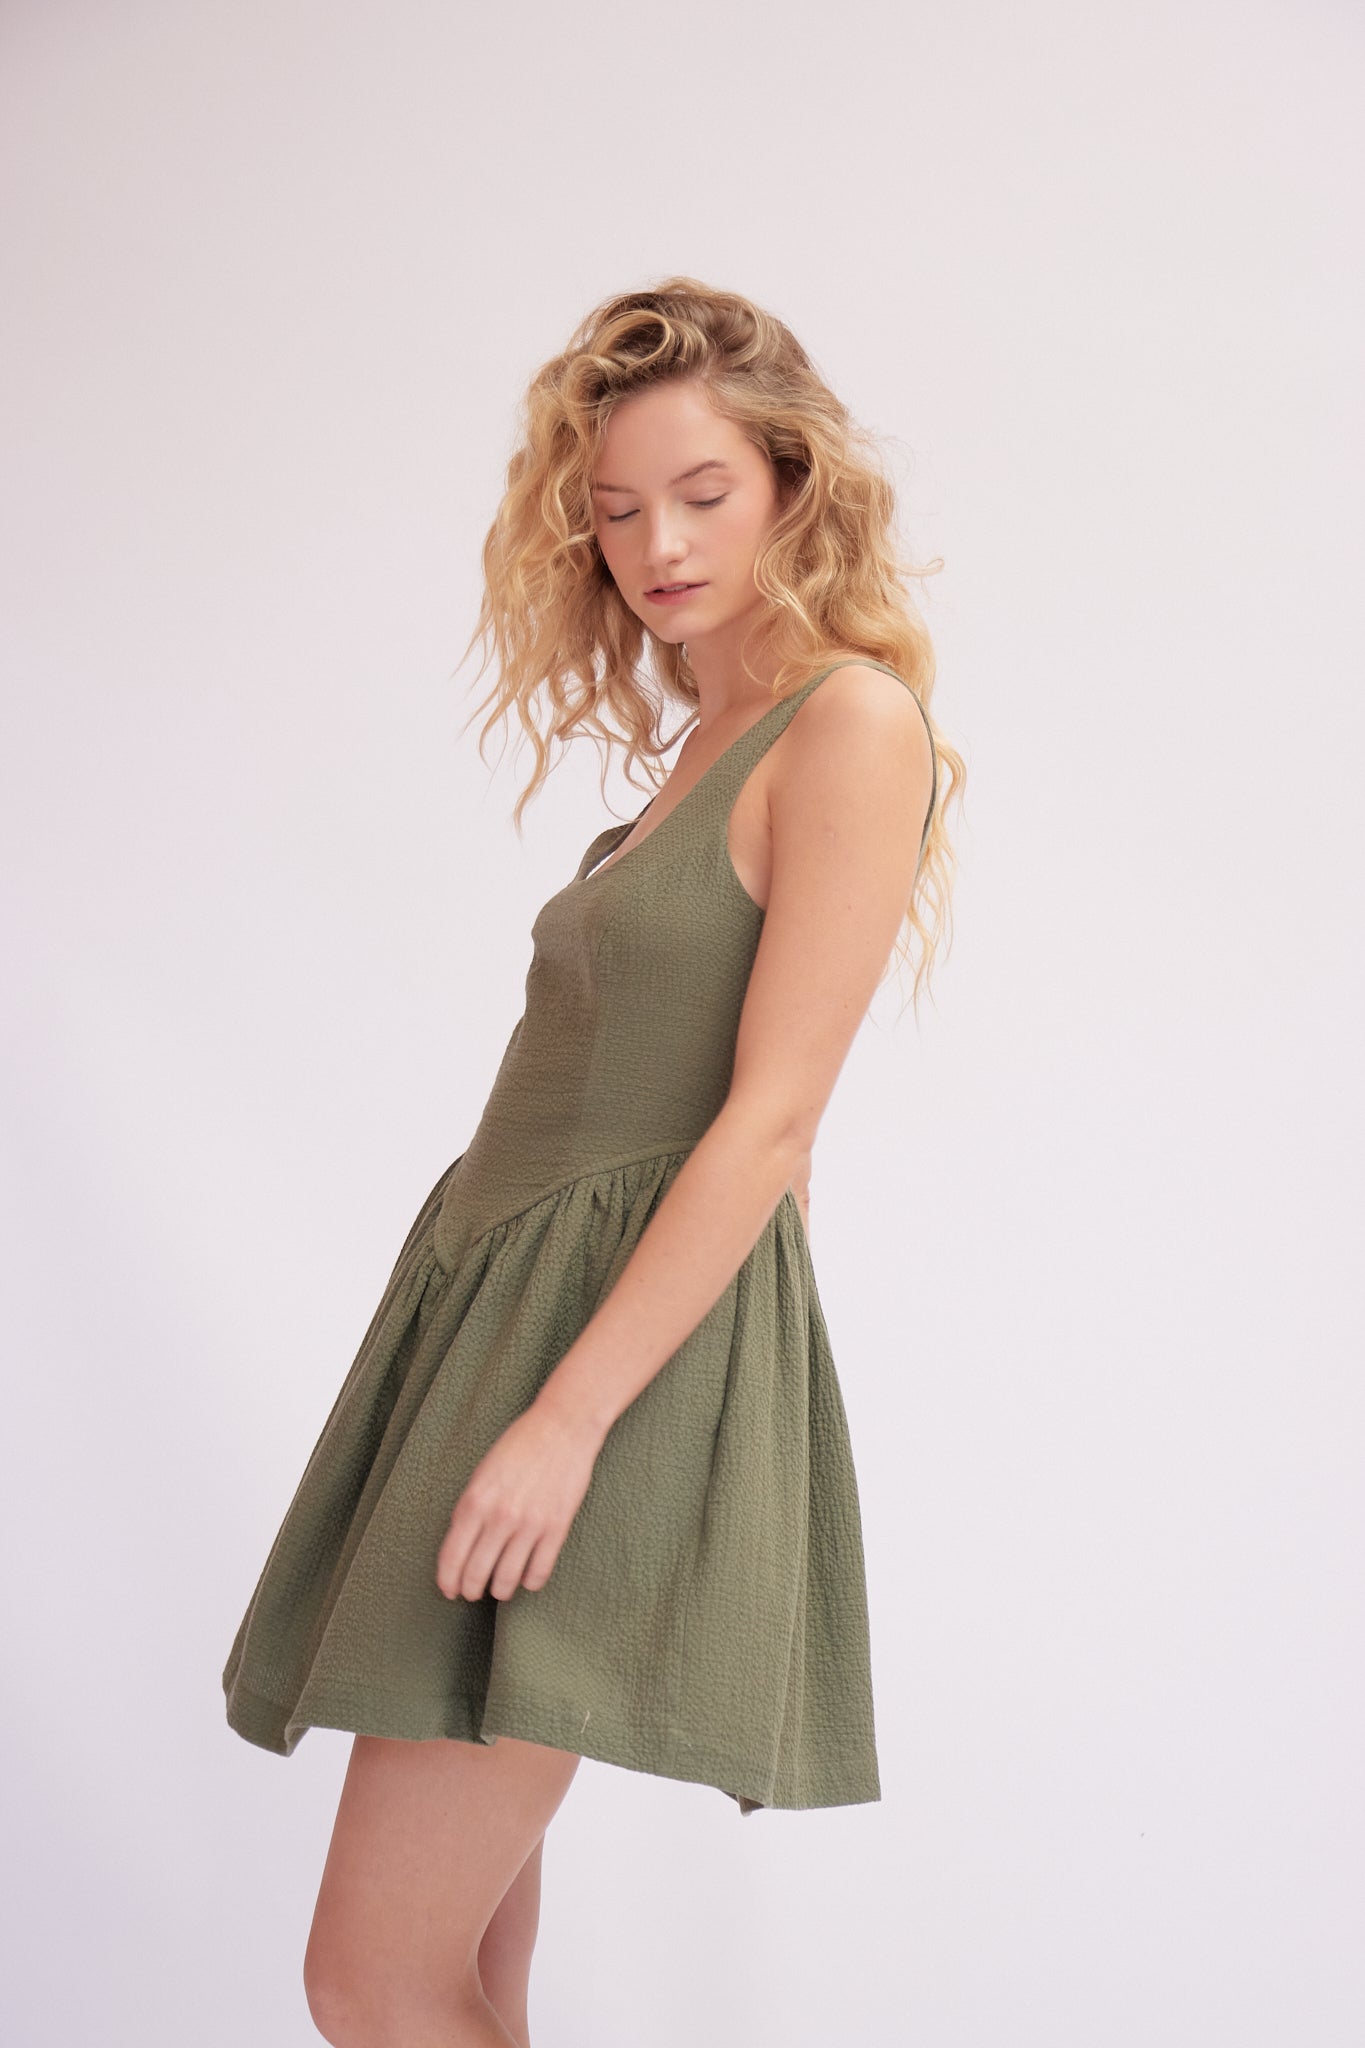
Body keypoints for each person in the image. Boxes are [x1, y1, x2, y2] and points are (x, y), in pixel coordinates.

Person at [221, 275, 962, 2048]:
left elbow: (771, 1122)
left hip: (588, 1361)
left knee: (368, 1979)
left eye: (702, 493)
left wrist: (570, 1423)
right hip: (498, 1324)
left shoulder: (846, 725)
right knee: (469, 1979)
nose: (658, 546)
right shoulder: (695, 749)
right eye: (617, 510)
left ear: (792, 483)